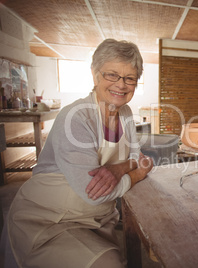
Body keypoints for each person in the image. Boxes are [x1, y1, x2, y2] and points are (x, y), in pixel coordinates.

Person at [7, 39, 153, 268]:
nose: (121, 85)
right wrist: (134, 175)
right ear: (95, 75)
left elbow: (138, 158)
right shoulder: (75, 118)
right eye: (112, 74)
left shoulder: (125, 113)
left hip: (97, 218)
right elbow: (93, 193)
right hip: (51, 219)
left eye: (130, 78)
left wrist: (119, 168)